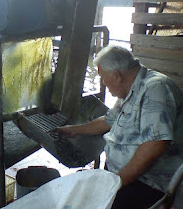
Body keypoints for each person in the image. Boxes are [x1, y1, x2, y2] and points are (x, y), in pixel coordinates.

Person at [53, 45, 183, 209]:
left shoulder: (156, 89)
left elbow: (155, 145)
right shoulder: (130, 90)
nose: (104, 84)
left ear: (116, 76)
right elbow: (108, 120)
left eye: (104, 79)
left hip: (147, 182)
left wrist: (116, 182)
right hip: (121, 175)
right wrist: (74, 130)